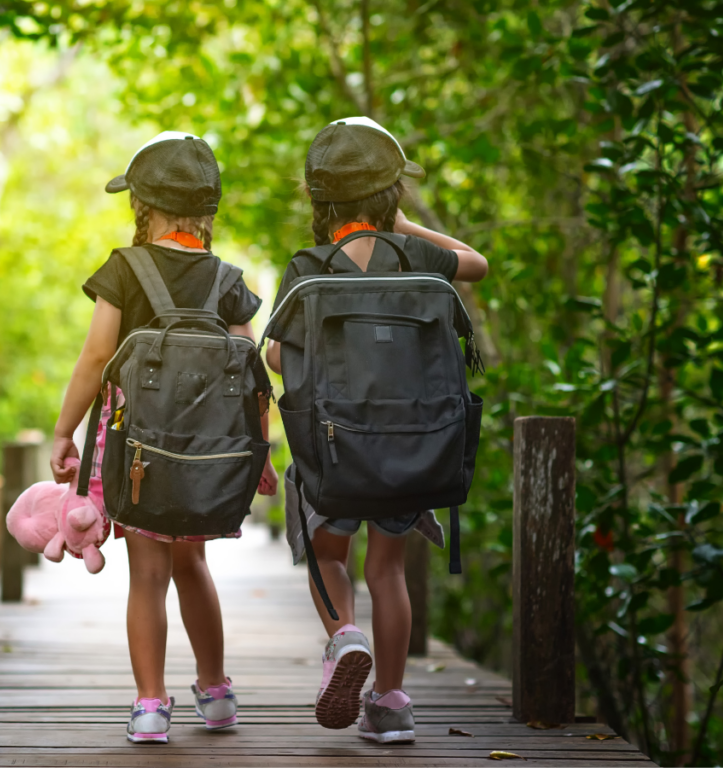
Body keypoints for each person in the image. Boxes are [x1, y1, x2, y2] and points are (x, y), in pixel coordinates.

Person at [265, 117, 489, 744]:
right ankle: (390, 704)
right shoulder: (417, 257)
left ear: (320, 198)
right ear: (391, 193)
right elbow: (478, 264)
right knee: (388, 570)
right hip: (414, 446)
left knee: (329, 555)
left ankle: (345, 638)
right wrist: (402, 227)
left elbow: (279, 357)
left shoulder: (311, 266)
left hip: (335, 452)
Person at [50, 131, 279, 744]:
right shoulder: (226, 278)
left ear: (141, 207)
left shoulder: (124, 269)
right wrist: (260, 449)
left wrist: (64, 431)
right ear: (207, 212)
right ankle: (217, 691)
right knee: (193, 565)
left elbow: (98, 355)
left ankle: (151, 705)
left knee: (147, 574)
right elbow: (250, 370)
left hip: (137, 455)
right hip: (208, 455)